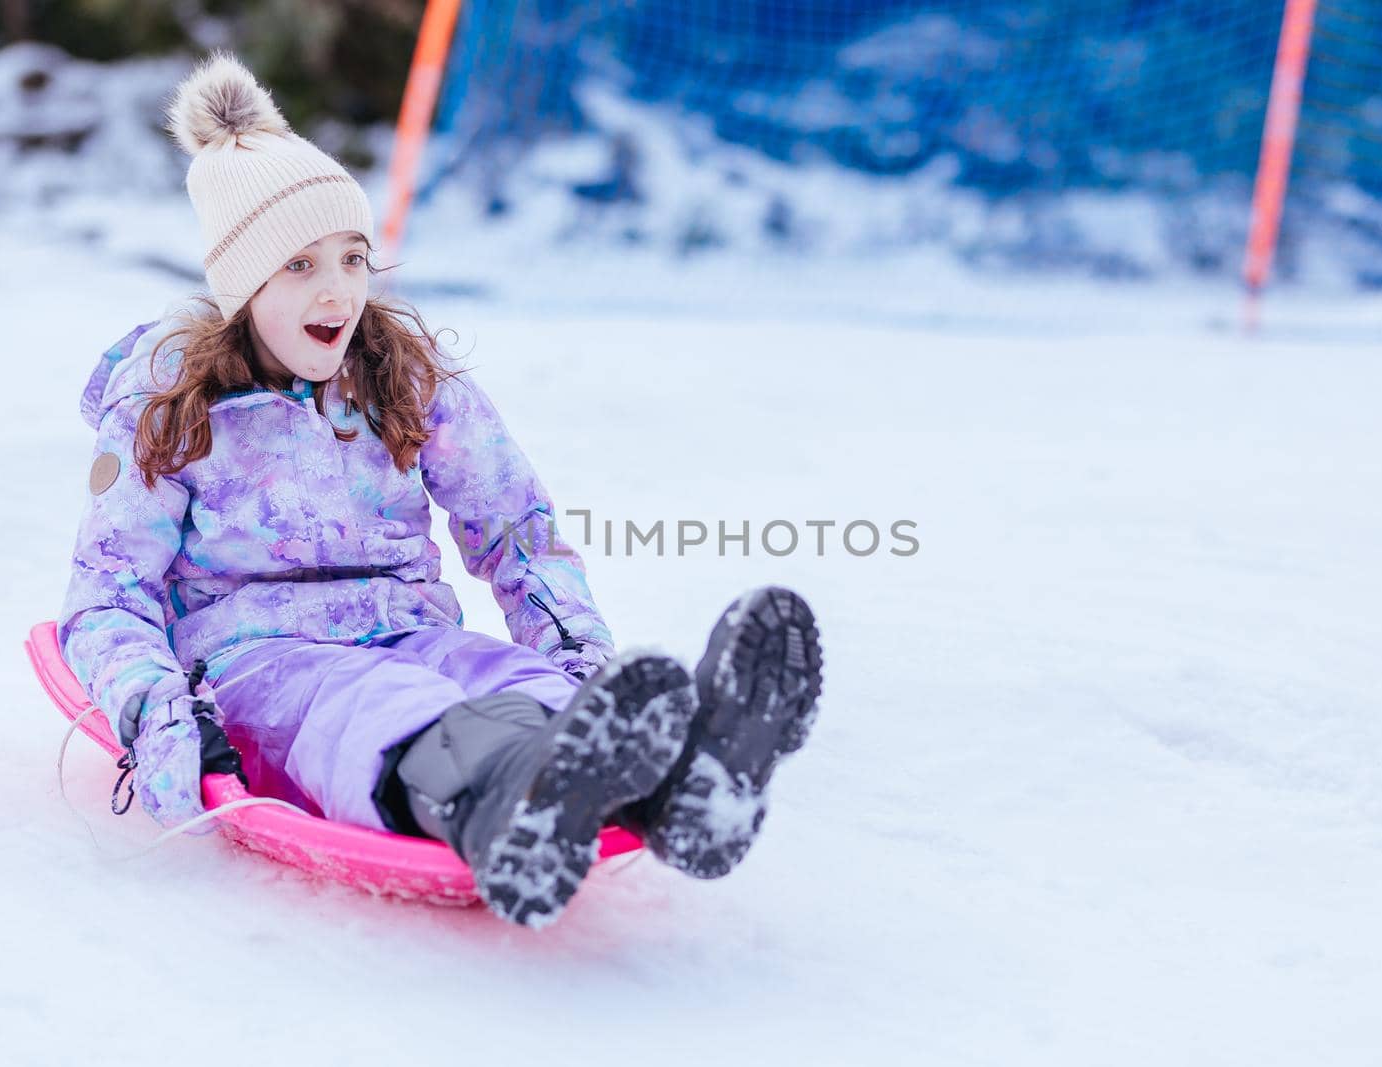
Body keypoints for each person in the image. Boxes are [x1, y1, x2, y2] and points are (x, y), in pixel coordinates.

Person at [57, 52, 823, 929]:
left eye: (352, 256)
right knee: (382, 710)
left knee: (495, 675)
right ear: (241, 287)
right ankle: (507, 802)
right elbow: (107, 592)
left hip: (412, 627)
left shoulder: (401, 377)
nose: (339, 287)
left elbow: (515, 529)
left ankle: (679, 784)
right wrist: (157, 711)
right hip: (259, 662)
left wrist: (577, 659)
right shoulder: (173, 408)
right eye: (300, 265)